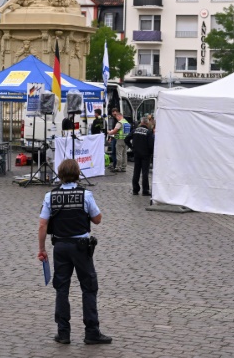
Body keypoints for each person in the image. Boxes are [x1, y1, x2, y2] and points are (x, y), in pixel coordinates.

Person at [37, 159, 112, 345]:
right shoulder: (85, 195)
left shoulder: (50, 196)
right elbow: (97, 219)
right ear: (78, 174)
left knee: (61, 289)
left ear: (59, 174)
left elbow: (42, 225)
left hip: (60, 247)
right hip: (81, 247)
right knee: (89, 287)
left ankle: (63, 333)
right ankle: (91, 331)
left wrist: (41, 249)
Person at [125, 116, 155, 196]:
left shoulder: (135, 130)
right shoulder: (148, 132)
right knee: (145, 173)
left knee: (136, 172)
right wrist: (151, 153)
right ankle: (145, 190)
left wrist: (132, 147)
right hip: (146, 155)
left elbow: (126, 139)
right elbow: (151, 145)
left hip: (136, 153)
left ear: (141, 122)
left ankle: (135, 189)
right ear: (146, 123)